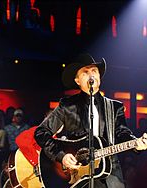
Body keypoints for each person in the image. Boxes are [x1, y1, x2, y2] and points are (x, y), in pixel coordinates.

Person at [34, 53, 147, 188]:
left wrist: (136, 144)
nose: (91, 75)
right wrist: (61, 156)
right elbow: (41, 132)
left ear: (99, 76)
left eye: (94, 71)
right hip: (77, 173)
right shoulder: (67, 106)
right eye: (85, 72)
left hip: (109, 171)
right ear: (77, 80)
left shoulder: (114, 107)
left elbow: (122, 134)